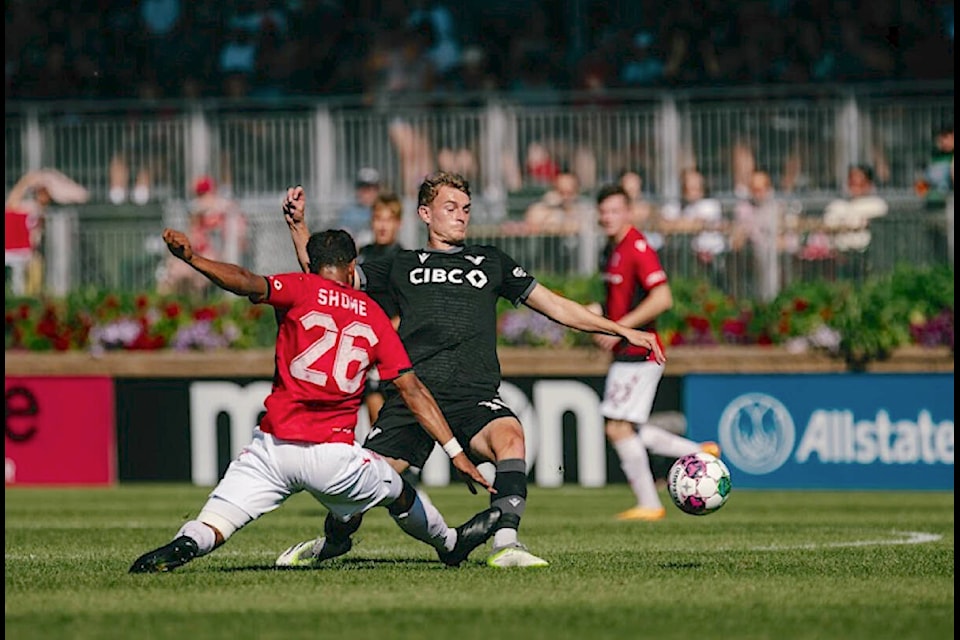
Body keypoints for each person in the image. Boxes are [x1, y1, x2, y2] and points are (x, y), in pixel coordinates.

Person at [280, 171, 666, 568]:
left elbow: (556, 306)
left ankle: (507, 544)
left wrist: (622, 329)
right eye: (450, 208)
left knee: (511, 437)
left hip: (473, 397)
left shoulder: (491, 262)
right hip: (415, 399)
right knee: (356, 492)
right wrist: (298, 226)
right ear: (424, 214)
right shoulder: (401, 264)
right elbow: (324, 281)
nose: (461, 216)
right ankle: (331, 544)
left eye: (465, 208)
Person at [128, 226, 500, 574]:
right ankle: (449, 542)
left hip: (273, 449)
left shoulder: (299, 288)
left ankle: (188, 542)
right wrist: (457, 454)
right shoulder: (372, 314)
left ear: (312, 263)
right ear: (352, 265)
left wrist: (193, 258)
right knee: (398, 492)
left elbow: (245, 282)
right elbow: (413, 391)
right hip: (332, 456)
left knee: (215, 522)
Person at [589, 183, 719, 521]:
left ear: (629, 212)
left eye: (615, 210)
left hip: (639, 350)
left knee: (617, 428)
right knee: (626, 427)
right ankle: (698, 452)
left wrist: (620, 327)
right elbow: (617, 300)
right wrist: (595, 314)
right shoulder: (610, 249)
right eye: (603, 211)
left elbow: (662, 298)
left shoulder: (637, 246)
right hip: (626, 349)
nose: (607, 217)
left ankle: (649, 502)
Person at [357, 191, 405, 425]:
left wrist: (385, 334)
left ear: (398, 223)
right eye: (378, 219)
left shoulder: (404, 259)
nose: (382, 226)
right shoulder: (363, 256)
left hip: (393, 342)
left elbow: (408, 308)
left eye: (388, 219)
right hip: (366, 344)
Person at [336, 167, 381, 249]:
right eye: (363, 188)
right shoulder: (348, 212)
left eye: (371, 189)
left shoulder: (382, 210)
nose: (367, 193)